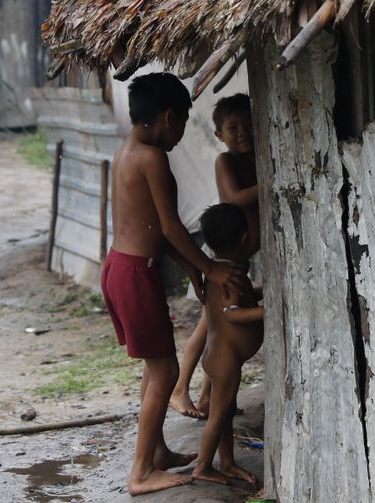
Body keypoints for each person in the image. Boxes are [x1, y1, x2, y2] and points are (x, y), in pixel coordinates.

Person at [100, 72, 244, 496]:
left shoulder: (126, 151)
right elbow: (171, 226)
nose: (182, 132)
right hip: (135, 272)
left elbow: (157, 230)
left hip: (120, 266)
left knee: (155, 365)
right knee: (166, 371)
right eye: (182, 122)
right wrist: (212, 269)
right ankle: (141, 471)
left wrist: (192, 269)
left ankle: (157, 452)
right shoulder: (153, 158)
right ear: (167, 117)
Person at [170, 93, 259, 419]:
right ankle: (180, 388)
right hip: (221, 257)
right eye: (233, 128)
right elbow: (234, 198)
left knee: (217, 330)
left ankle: (209, 397)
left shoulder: (254, 159)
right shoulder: (227, 162)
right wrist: (272, 181)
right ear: (219, 135)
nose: (243, 133)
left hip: (238, 258)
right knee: (209, 325)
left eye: (248, 125)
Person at [192, 203, 263, 485]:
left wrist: (262, 291)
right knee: (219, 415)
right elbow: (231, 312)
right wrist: (264, 311)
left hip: (219, 355)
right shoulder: (229, 276)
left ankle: (228, 462)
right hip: (225, 359)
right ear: (245, 238)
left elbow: (240, 297)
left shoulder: (220, 270)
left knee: (225, 411)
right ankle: (203, 466)